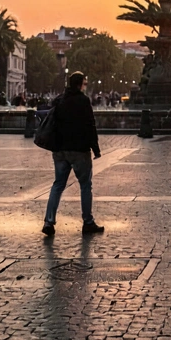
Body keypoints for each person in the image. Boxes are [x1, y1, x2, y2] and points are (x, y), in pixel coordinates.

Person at [41, 71, 104, 236]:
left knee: (58, 185)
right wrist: (96, 148)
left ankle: (49, 221)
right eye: (84, 83)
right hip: (79, 149)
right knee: (85, 185)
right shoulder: (83, 101)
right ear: (80, 84)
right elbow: (90, 125)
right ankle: (88, 222)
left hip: (60, 149)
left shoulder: (59, 100)